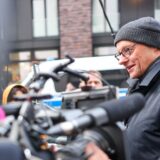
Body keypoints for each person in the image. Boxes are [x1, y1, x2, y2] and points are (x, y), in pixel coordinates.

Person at [85, 17, 160, 160]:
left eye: (128, 50)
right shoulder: (140, 89)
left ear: (155, 46)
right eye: (119, 54)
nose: (121, 60)